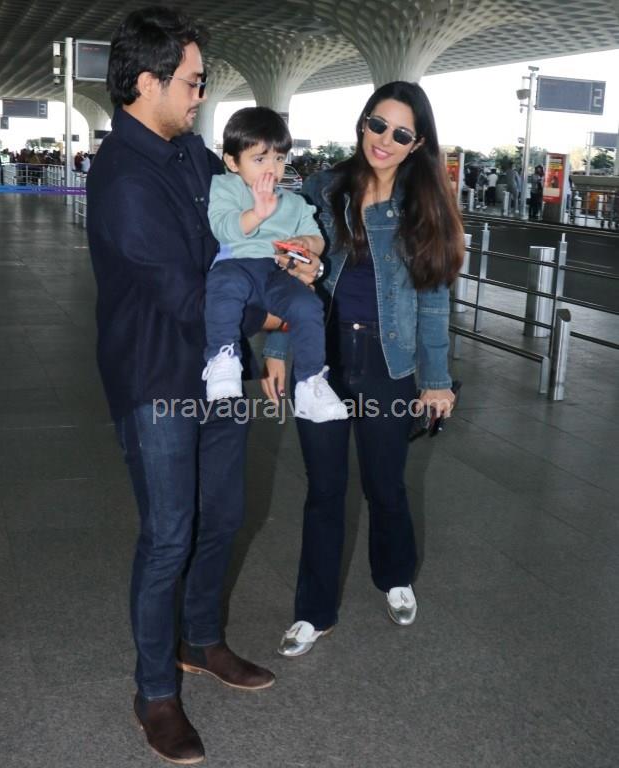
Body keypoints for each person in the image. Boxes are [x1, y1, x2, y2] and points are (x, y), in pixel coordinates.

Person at [86, 7, 276, 765]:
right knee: (169, 534)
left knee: (221, 515)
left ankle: (199, 640)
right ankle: (154, 690)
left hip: (218, 368)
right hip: (159, 376)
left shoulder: (190, 153)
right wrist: (273, 314)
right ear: (147, 82)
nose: (202, 95)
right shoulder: (123, 178)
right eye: (193, 82)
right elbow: (189, 297)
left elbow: (234, 241)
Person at [261, 81, 463, 657]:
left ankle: (394, 576)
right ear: (363, 122)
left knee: (385, 484)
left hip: (388, 362)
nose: (384, 139)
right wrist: (276, 350)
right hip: (319, 357)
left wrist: (436, 381)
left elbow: (433, 300)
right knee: (324, 490)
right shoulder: (323, 189)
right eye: (378, 124)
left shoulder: (424, 205)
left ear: (417, 143)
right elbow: (287, 275)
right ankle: (313, 611)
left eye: (401, 133)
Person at [203, 106, 348, 422]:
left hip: (276, 271)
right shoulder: (226, 187)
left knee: (307, 305)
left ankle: (310, 382)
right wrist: (257, 213)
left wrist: (306, 244)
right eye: (259, 159)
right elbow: (222, 228)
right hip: (236, 264)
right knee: (223, 289)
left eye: (279, 159)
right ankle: (223, 358)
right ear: (232, 162)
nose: (272, 169)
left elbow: (318, 239)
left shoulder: (294, 202)